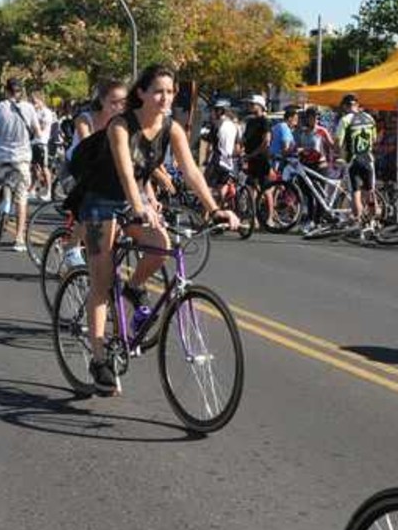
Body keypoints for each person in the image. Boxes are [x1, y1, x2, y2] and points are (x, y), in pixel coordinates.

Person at [73, 65, 239, 396]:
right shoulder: (121, 125)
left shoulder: (171, 128)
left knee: (160, 244)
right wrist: (139, 207)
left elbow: (191, 170)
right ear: (141, 93)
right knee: (102, 282)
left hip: (134, 201)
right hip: (101, 200)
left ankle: (133, 288)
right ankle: (99, 357)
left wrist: (215, 208)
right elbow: (124, 172)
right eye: (159, 91)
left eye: (170, 91)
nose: (166, 98)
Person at [0, 77, 36, 252]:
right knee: (22, 198)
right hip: (22, 159)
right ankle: (19, 238)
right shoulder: (29, 108)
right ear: (21, 91)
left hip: (1, 157)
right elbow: (37, 132)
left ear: (6, 91)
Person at [334, 94, 379, 225]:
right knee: (370, 191)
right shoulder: (369, 118)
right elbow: (374, 139)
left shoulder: (345, 120)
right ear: (357, 105)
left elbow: (338, 142)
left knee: (355, 193)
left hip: (352, 161)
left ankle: (358, 223)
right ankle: (373, 223)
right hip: (368, 159)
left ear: (345, 106)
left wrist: (338, 154)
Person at [204, 99, 240, 190]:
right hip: (229, 162)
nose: (212, 113)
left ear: (220, 111)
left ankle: (209, 204)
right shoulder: (234, 126)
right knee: (222, 185)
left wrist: (206, 160)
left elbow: (209, 147)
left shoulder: (216, 125)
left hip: (217, 160)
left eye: (214, 110)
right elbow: (237, 147)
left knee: (206, 185)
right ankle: (222, 203)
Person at [240, 95, 271, 186]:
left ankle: (270, 201)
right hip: (250, 159)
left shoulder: (265, 121)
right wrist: (242, 151)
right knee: (250, 186)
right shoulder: (250, 122)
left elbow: (266, 141)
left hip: (261, 159)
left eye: (252, 104)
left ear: (260, 105)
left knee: (265, 188)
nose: (249, 106)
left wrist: (254, 154)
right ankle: (252, 201)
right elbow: (244, 139)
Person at [30, 93, 55, 201]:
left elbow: (41, 128)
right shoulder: (35, 112)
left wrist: (35, 127)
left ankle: (48, 191)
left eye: (35, 102)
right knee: (34, 167)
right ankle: (32, 190)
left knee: (44, 168)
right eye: (32, 102)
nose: (33, 104)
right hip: (33, 142)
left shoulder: (46, 113)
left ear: (41, 100)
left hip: (42, 142)